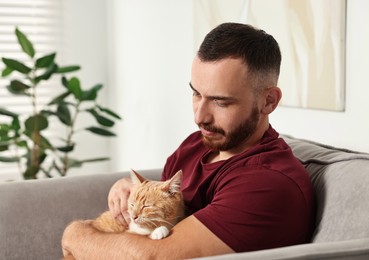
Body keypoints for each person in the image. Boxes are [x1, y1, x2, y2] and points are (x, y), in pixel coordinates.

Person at [62, 22, 315, 259]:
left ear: (268, 101)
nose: (199, 116)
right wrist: (131, 191)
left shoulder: (268, 183)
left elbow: (150, 255)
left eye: (221, 101)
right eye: (196, 93)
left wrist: (75, 234)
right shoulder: (196, 145)